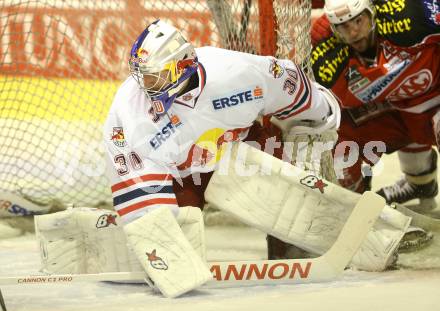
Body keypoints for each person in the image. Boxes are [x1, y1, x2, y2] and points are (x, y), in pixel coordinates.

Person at [103, 20, 341, 297]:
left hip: (241, 151)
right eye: (141, 75)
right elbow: (140, 187)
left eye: (153, 76)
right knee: (172, 241)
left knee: (288, 201)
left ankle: (291, 247)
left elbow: (290, 84)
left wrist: (321, 114)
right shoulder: (129, 109)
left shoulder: (235, 72)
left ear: (180, 67)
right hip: (183, 177)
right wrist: (162, 250)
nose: (144, 85)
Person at [310, 0, 440, 207]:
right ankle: (354, 208)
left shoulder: (410, 16)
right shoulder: (327, 55)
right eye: (344, 26)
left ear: (372, 13)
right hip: (401, 110)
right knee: (335, 139)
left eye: (358, 21)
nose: (353, 33)